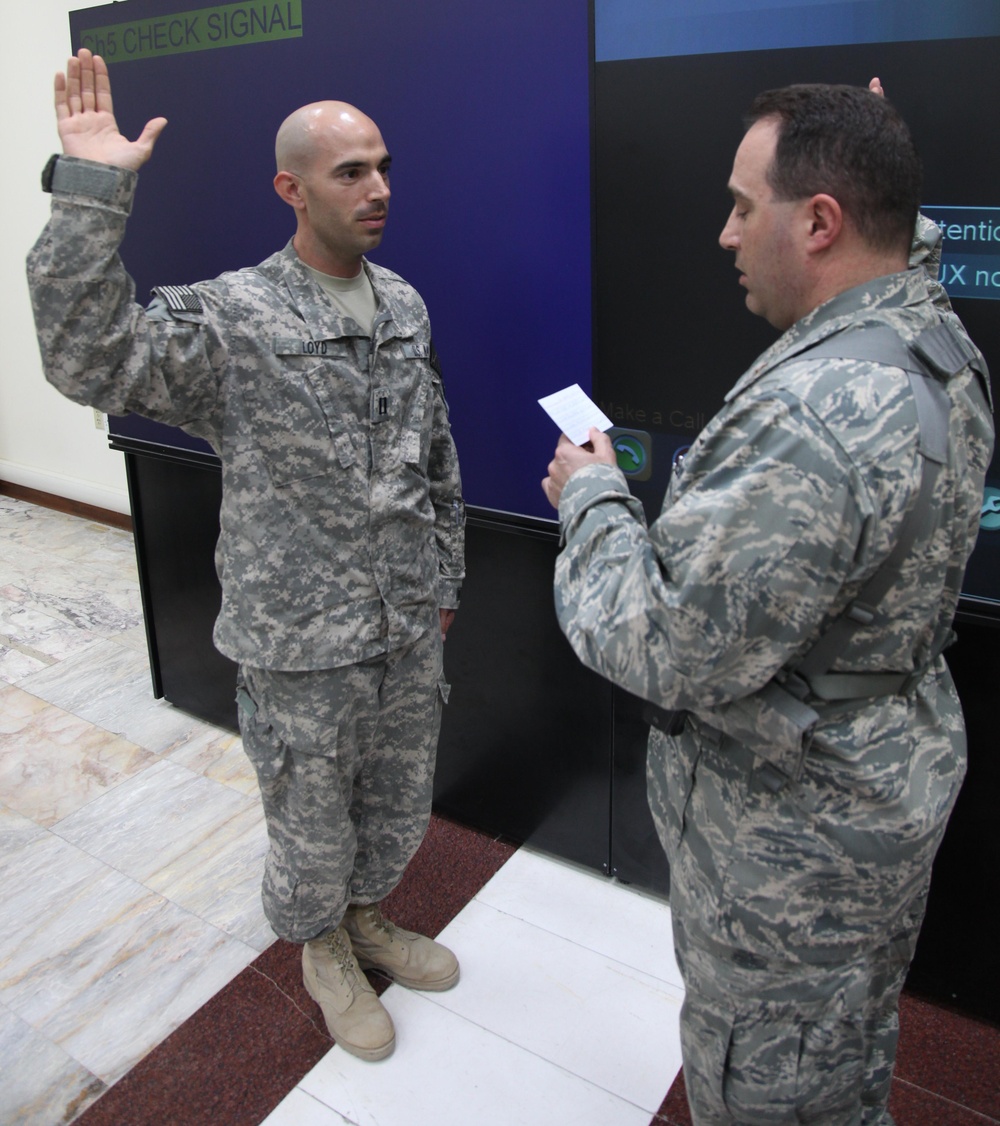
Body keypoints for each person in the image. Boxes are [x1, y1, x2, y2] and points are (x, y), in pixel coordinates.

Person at [543, 80, 993, 1123]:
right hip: (879, 795)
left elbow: (663, 646)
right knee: (844, 1057)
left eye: (746, 206)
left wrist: (593, 497)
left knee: (773, 1088)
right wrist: (874, 148)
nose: (726, 232)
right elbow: (905, 246)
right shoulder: (926, 331)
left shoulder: (807, 417)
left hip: (788, 856)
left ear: (822, 222)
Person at [27, 49, 465, 1063]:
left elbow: (435, 452)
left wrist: (443, 574)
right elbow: (91, 357)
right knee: (310, 813)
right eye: (349, 171)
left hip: (405, 625)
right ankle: (320, 946)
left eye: (383, 167)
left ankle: (365, 916)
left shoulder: (403, 304)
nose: (378, 189)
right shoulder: (235, 317)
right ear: (291, 189)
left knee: (397, 796)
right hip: (300, 641)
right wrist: (91, 189)